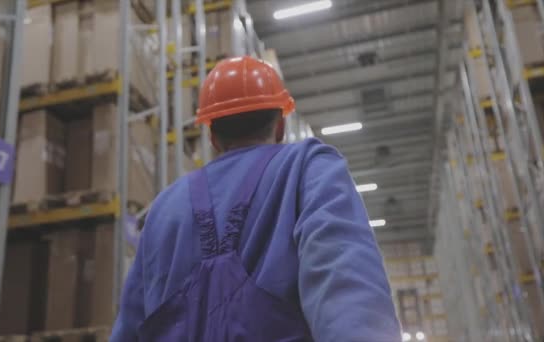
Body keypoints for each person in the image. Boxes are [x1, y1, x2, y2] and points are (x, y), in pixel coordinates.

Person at [111, 56, 401, 341]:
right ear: (280, 126)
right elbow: (347, 283)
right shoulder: (307, 168)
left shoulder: (163, 207)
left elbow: (130, 325)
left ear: (212, 136)